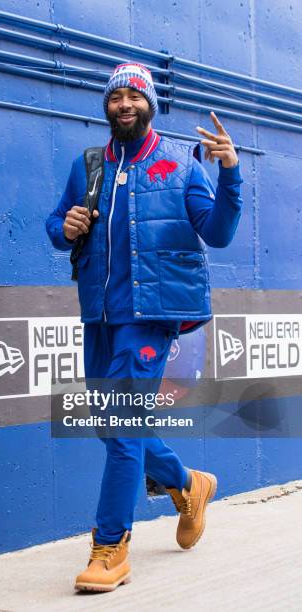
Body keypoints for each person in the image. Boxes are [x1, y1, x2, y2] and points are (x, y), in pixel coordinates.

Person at [46, 62, 243, 592]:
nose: (125, 105)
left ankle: (110, 548)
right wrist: (63, 228)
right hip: (99, 315)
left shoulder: (181, 163)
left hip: (150, 318)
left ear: (150, 104)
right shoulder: (87, 164)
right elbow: (57, 223)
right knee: (110, 423)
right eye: (116, 98)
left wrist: (230, 174)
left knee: (123, 427)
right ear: (107, 107)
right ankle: (188, 485)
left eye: (135, 96)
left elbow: (218, 232)